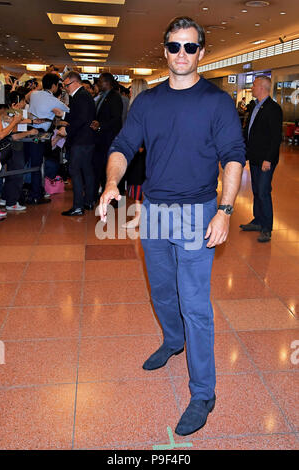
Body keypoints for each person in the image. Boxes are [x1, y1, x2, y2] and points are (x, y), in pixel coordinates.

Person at [99, 16, 245, 436]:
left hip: (199, 213)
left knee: (195, 303)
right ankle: (172, 339)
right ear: (164, 51)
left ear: (201, 52)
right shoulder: (147, 102)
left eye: (190, 47)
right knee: (162, 290)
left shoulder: (216, 102)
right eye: (174, 47)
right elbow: (123, 146)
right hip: (155, 213)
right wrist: (112, 182)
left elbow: (234, 155)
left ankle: (203, 391)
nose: (182, 54)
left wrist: (225, 210)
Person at [240, 75, 283, 242]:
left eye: (254, 85)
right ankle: (257, 221)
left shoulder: (273, 108)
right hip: (255, 158)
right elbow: (250, 132)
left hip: (266, 160)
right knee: (257, 190)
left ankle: (266, 227)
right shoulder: (256, 107)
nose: (252, 88)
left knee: (264, 192)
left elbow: (275, 138)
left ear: (263, 88)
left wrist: (268, 159)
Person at [24, 72, 69, 204]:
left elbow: (27, 98)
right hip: (40, 135)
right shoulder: (54, 101)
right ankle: (36, 194)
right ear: (55, 86)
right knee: (37, 164)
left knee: (29, 162)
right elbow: (69, 111)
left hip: (28, 131)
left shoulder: (34, 94)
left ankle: (31, 190)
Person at [60, 71, 96, 216]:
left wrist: (66, 130)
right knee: (87, 171)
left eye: (66, 85)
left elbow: (80, 119)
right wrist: (64, 116)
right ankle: (88, 201)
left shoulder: (81, 96)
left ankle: (78, 206)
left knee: (75, 171)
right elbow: (79, 116)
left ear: (75, 82)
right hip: (87, 140)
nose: (65, 88)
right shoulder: (83, 95)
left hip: (81, 140)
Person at [91, 72, 123, 202]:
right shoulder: (103, 96)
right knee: (100, 168)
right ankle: (102, 195)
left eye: (100, 81)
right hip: (101, 140)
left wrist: (100, 125)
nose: (98, 84)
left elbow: (116, 120)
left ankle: (113, 199)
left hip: (109, 139)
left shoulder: (115, 97)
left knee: (109, 169)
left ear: (107, 82)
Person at [122, 78, 148, 229]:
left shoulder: (139, 107)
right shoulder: (142, 106)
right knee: (139, 183)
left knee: (137, 182)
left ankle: (139, 217)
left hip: (140, 153)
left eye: (132, 88)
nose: (129, 91)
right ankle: (141, 216)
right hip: (139, 152)